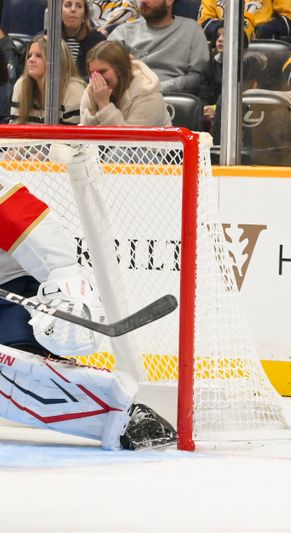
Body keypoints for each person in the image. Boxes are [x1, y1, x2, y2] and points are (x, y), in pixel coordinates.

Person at [0, 175, 176, 450]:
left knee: (18, 368)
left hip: (12, 291)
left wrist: (67, 286)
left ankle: (121, 414)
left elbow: (34, 233)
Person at [108, 0, 209, 96]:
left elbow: (198, 76)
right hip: (130, 97)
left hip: (174, 99)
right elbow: (105, 66)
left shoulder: (191, 29)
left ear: (169, 1)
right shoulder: (123, 33)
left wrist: (158, 88)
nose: (143, 1)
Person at [79, 40, 171, 126]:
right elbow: (84, 137)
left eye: (103, 71)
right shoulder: (93, 90)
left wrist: (104, 105)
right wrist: (93, 107)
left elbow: (130, 140)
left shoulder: (149, 95)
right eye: (93, 73)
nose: (97, 78)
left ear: (120, 70)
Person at [9, 35, 85, 125]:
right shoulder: (21, 84)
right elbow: (15, 129)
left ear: (57, 60)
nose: (31, 60)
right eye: (29, 56)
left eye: (39, 56)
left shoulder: (74, 89)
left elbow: (72, 136)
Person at [198, 0, 291, 42]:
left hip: (259, 44)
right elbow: (203, 23)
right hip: (223, 44)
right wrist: (223, 30)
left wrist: (263, 30)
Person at [62, 0, 106, 78]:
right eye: (68, 5)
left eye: (79, 6)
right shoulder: (48, 38)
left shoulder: (97, 39)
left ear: (85, 14)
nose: (73, 9)